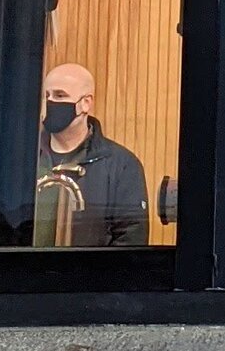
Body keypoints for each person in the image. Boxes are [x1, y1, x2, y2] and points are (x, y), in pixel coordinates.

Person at [34, 62, 149, 249]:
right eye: (46, 96)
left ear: (85, 103)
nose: (50, 102)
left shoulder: (121, 165)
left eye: (60, 95)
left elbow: (129, 238)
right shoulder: (25, 158)